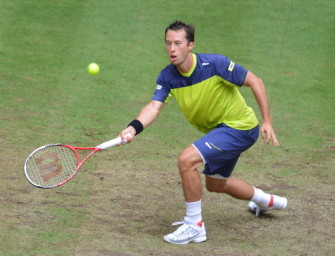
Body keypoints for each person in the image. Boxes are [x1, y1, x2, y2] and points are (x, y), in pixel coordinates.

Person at [119, 20, 287, 245]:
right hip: (219, 131)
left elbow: (255, 81)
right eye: (168, 43)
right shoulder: (168, 77)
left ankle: (194, 225)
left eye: (178, 43)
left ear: (190, 45)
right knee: (216, 184)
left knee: (186, 160)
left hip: (240, 127)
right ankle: (266, 201)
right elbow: (153, 107)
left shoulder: (215, 64)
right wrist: (133, 128)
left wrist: (267, 121)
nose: (172, 49)